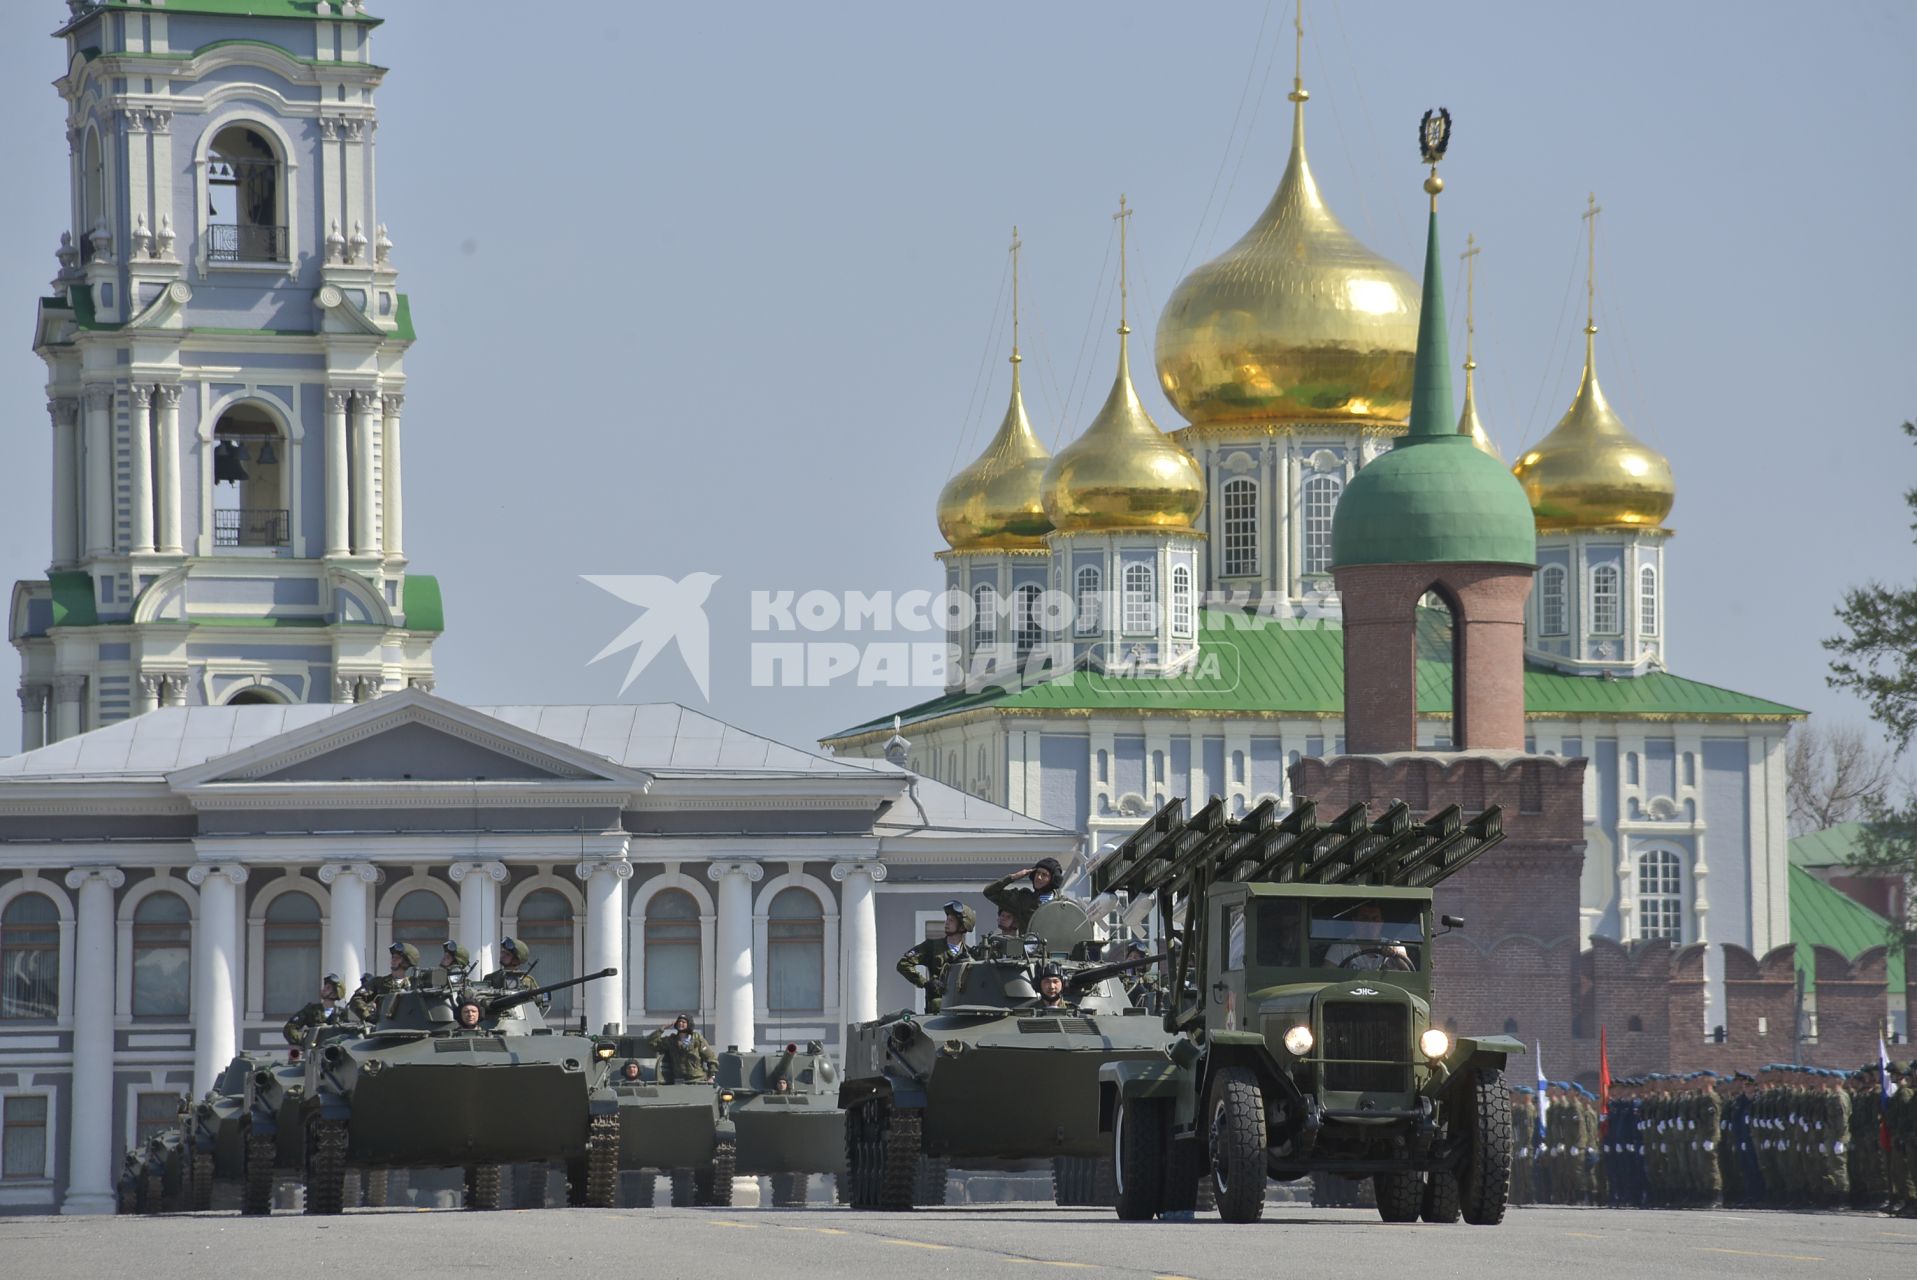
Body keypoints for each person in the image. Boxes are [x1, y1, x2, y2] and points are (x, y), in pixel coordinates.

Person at [896, 901, 980, 1013]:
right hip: (936, 1011)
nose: (946, 923)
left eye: (951, 920)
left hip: (963, 1010)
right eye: (947, 919)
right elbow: (904, 964)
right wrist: (925, 983)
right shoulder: (931, 946)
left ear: (962, 927)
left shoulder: (970, 954)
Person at [1320, 903, 1411, 971]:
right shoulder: (1341, 946)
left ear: (1381, 923)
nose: (1369, 924)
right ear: (1355, 921)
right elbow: (1326, 975)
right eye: (1364, 919)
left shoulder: (1394, 945)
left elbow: (1409, 972)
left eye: (1375, 919)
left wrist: (1395, 956)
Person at [984, 857, 1065, 933]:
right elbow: (989, 892)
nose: (1038, 877)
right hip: (1030, 945)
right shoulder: (1023, 899)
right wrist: (1013, 877)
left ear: (1053, 880)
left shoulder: (1062, 904)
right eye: (1037, 873)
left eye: (1044, 875)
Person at [282, 973, 353, 1046]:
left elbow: (352, 1033)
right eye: (325, 986)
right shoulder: (311, 1010)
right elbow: (290, 1027)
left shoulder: (342, 1014)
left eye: (328, 988)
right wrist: (304, 1040)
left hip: (335, 1053)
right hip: (314, 1051)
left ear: (335, 994)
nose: (324, 989)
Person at [647, 1014, 718, 1083]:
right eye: (679, 1022)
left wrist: (711, 1076)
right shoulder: (672, 1041)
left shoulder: (697, 1039)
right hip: (679, 1081)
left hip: (697, 1080)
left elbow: (711, 1059)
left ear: (689, 1024)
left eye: (683, 1022)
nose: (680, 1023)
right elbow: (652, 1043)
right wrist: (662, 1029)